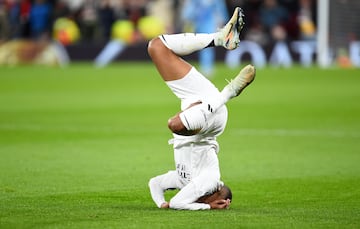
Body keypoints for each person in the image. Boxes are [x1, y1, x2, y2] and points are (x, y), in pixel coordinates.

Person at [148, 7, 256, 210]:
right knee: (175, 124)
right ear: (222, 199)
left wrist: (161, 203)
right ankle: (229, 93)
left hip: (197, 100)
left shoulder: (183, 181)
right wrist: (207, 207)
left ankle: (220, 38)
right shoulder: (211, 182)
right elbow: (178, 203)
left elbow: (155, 184)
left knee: (157, 47)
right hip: (212, 118)